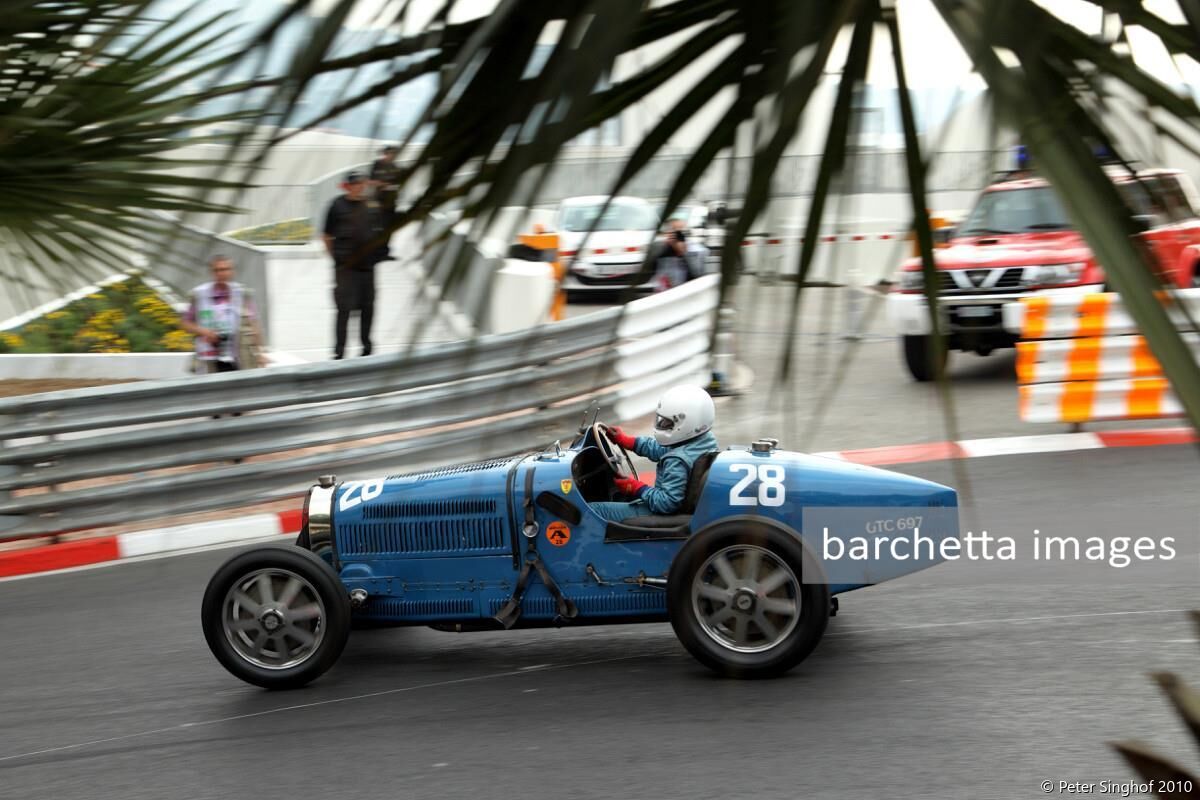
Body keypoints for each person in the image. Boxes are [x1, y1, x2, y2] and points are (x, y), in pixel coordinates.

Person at [591, 385, 720, 523]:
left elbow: (667, 503)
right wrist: (627, 441)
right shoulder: (702, 441)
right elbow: (660, 449)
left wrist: (637, 488)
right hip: (673, 508)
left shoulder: (678, 459)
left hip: (661, 515)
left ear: (687, 423)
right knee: (618, 497)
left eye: (667, 423)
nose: (662, 425)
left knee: (594, 509)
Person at [323, 171, 383, 359]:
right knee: (344, 310)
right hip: (345, 270)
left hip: (367, 269)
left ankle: (366, 348)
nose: (359, 187)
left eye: (361, 183)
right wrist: (336, 259)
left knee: (368, 308)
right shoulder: (336, 205)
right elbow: (326, 236)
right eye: (355, 184)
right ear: (347, 186)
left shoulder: (371, 206)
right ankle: (339, 351)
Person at [181, 254, 264, 373]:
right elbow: (185, 323)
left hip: (239, 357)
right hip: (209, 357)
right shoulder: (199, 294)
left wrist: (260, 353)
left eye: (225, 269)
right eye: (217, 270)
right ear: (212, 272)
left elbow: (254, 325)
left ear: (232, 271)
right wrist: (205, 332)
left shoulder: (242, 294)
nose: (221, 273)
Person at [652, 218, 707, 290]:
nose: (678, 233)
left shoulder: (694, 248)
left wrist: (682, 250)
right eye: (674, 230)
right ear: (667, 232)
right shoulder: (660, 246)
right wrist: (667, 244)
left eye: (681, 230)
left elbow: (696, 273)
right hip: (666, 290)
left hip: (686, 289)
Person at [369, 144, 401, 231]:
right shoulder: (377, 164)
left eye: (394, 154)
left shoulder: (396, 168)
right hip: (377, 201)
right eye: (390, 153)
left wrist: (390, 186)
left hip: (391, 203)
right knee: (375, 227)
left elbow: (398, 186)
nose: (392, 155)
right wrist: (383, 184)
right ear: (385, 153)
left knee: (389, 227)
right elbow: (370, 182)